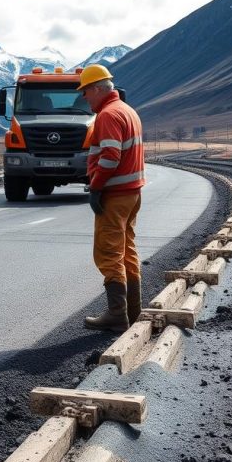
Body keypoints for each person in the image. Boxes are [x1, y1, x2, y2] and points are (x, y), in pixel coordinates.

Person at [79, 64, 146, 333]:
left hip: (115, 195)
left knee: (109, 253)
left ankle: (117, 315)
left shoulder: (107, 115)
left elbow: (110, 157)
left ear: (97, 89)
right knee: (127, 250)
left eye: (85, 92)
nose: (84, 97)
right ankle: (133, 310)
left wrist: (95, 188)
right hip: (131, 193)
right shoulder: (129, 111)